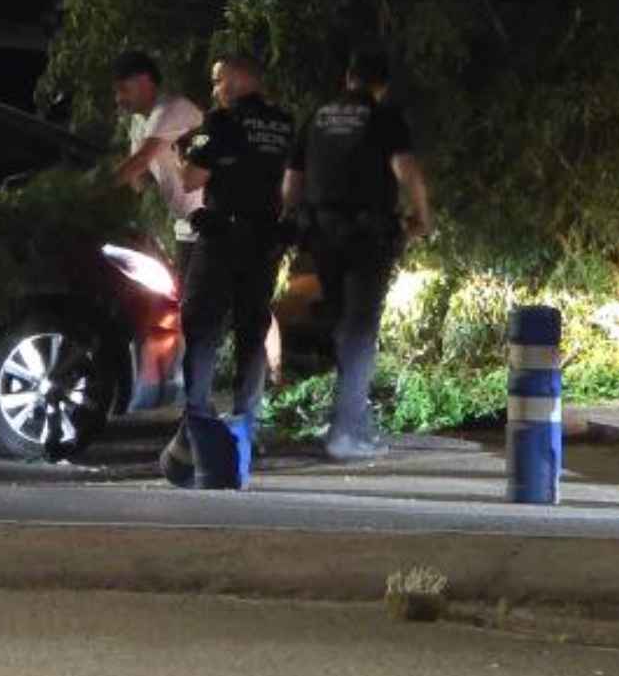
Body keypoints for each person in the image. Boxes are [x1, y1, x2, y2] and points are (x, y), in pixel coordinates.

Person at [285, 45, 433, 462]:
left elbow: (291, 183)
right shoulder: (385, 117)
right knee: (360, 329)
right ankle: (346, 431)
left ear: (346, 79)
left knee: (342, 324)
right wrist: (423, 217)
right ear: (380, 86)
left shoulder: (316, 117)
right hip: (367, 234)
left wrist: (291, 222)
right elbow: (408, 172)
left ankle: (353, 420)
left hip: (320, 235)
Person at [171, 50, 298, 482]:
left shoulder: (220, 123)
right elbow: (292, 181)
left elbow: (191, 179)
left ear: (241, 80)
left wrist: (183, 154)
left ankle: (196, 423)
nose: (214, 89)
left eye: (218, 80)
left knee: (201, 327)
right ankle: (247, 422)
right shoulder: (283, 123)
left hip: (222, 236)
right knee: (251, 332)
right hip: (264, 240)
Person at [111, 50, 203, 254]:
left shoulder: (171, 109)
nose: (118, 99)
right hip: (188, 223)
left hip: (212, 221)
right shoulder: (138, 121)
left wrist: (95, 188)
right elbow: (138, 179)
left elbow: (140, 160)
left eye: (123, 89)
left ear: (144, 81)